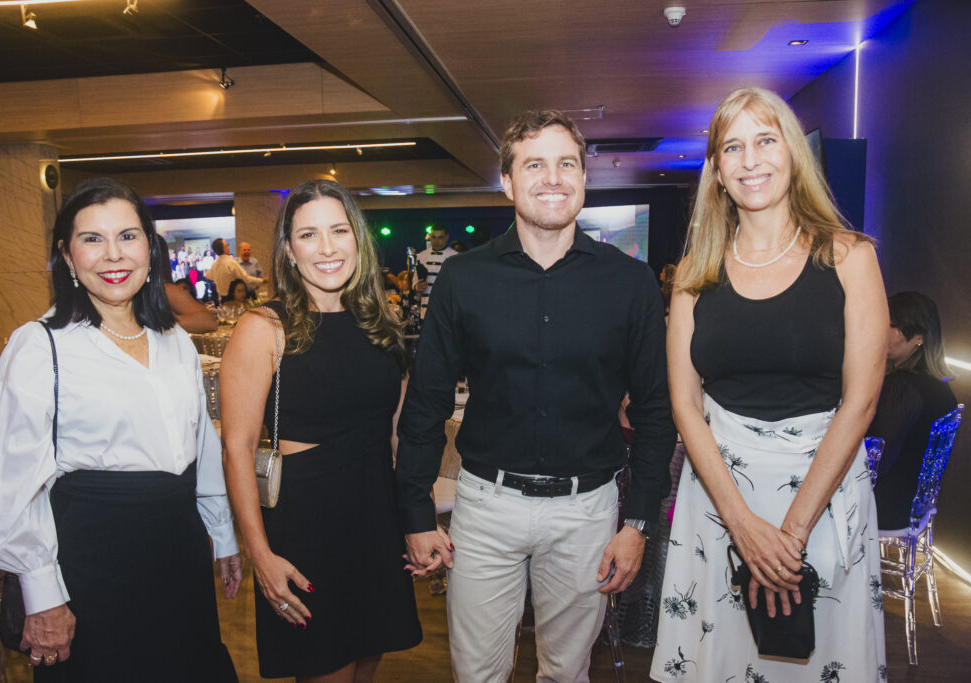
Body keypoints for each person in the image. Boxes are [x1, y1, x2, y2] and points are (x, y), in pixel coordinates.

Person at [396, 110, 676, 682]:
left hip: (587, 512)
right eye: (535, 164)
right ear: (508, 181)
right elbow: (426, 401)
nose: (553, 177)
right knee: (476, 675)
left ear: (583, 177)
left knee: (566, 674)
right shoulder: (463, 279)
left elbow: (654, 411)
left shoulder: (630, 283)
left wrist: (639, 523)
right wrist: (417, 512)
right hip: (485, 509)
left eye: (566, 163)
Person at [652, 87, 888, 681]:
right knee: (721, 660)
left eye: (765, 140)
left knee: (819, 662)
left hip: (822, 494)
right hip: (719, 500)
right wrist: (742, 525)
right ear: (716, 170)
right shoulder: (692, 276)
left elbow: (860, 403)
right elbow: (685, 405)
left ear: (793, 153)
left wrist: (791, 532)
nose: (750, 159)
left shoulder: (849, 257)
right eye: (732, 147)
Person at [0, 177, 241, 681]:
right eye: (92, 239)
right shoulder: (40, 346)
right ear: (68, 257)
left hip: (178, 550)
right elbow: (13, 483)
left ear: (150, 249)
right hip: (89, 559)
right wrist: (43, 595)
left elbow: (200, 447)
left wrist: (222, 532)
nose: (113, 254)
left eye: (128, 236)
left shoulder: (173, 340)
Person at [220, 179, 421, 682]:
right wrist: (260, 554)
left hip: (376, 515)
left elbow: (397, 433)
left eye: (339, 230)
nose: (328, 248)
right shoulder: (263, 328)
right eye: (309, 235)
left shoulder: (382, 321)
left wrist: (416, 522)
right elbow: (236, 448)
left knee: (369, 658)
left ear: (359, 240)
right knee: (328, 667)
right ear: (288, 249)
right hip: (309, 524)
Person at [868, 291, 957, 531]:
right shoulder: (940, 388)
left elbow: (878, 460)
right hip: (913, 504)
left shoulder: (901, 387)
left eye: (894, 325)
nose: (882, 330)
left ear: (918, 338)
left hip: (885, 507)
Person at [414, 224, 456, 317]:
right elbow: (415, 283)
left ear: (446, 237)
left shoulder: (455, 257)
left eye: (440, 237)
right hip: (425, 310)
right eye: (433, 237)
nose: (436, 241)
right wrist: (417, 287)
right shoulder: (421, 256)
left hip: (446, 311)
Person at [207, 238, 265, 302]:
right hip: (233, 299)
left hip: (222, 299)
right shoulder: (231, 262)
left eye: (248, 250)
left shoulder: (215, 264)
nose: (228, 247)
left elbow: (208, 276)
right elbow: (246, 279)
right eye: (227, 245)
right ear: (224, 248)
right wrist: (263, 281)